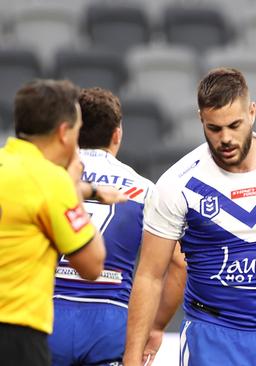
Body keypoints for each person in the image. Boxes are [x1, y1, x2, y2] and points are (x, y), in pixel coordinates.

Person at [123, 68, 256, 366]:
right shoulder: (178, 183)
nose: (225, 138)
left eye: (234, 125)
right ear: (201, 119)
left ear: (252, 113)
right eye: (214, 128)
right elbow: (149, 275)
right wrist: (132, 357)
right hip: (211, 337)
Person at [0, 79, 106, 366]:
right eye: (78, 129)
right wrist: (72, 187)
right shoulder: (51, 181)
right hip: (16, 333)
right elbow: (92, 265)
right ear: (63, 133)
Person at [48, 87, 156, 366]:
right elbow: (177, 264)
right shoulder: (144, 190)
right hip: (110, 319)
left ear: (71, 132)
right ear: (117, 134)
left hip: (49, 311)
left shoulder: (47, 181)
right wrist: (155, 326)